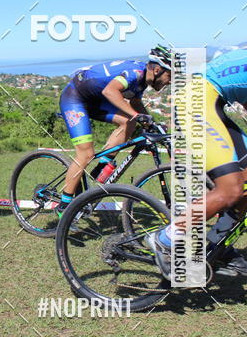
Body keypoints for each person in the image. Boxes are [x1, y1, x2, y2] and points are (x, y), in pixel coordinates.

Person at [148, 36, 247, 278]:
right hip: (198, 99)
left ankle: (218, 245)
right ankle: (164, 240)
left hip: (212, 100)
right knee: (230, 189)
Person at [56, 45, 172, 216]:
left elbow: (135, 103)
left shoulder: (142, 80)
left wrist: (150, 122)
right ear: (157, 70)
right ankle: (64, 207)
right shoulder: (135, 73)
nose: (170, 81)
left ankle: (101, 165)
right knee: (85, 154)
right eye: (170, 76)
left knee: (129, 121)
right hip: (75, 99)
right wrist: (137, 115)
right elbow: (110, 91)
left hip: (95, 100)